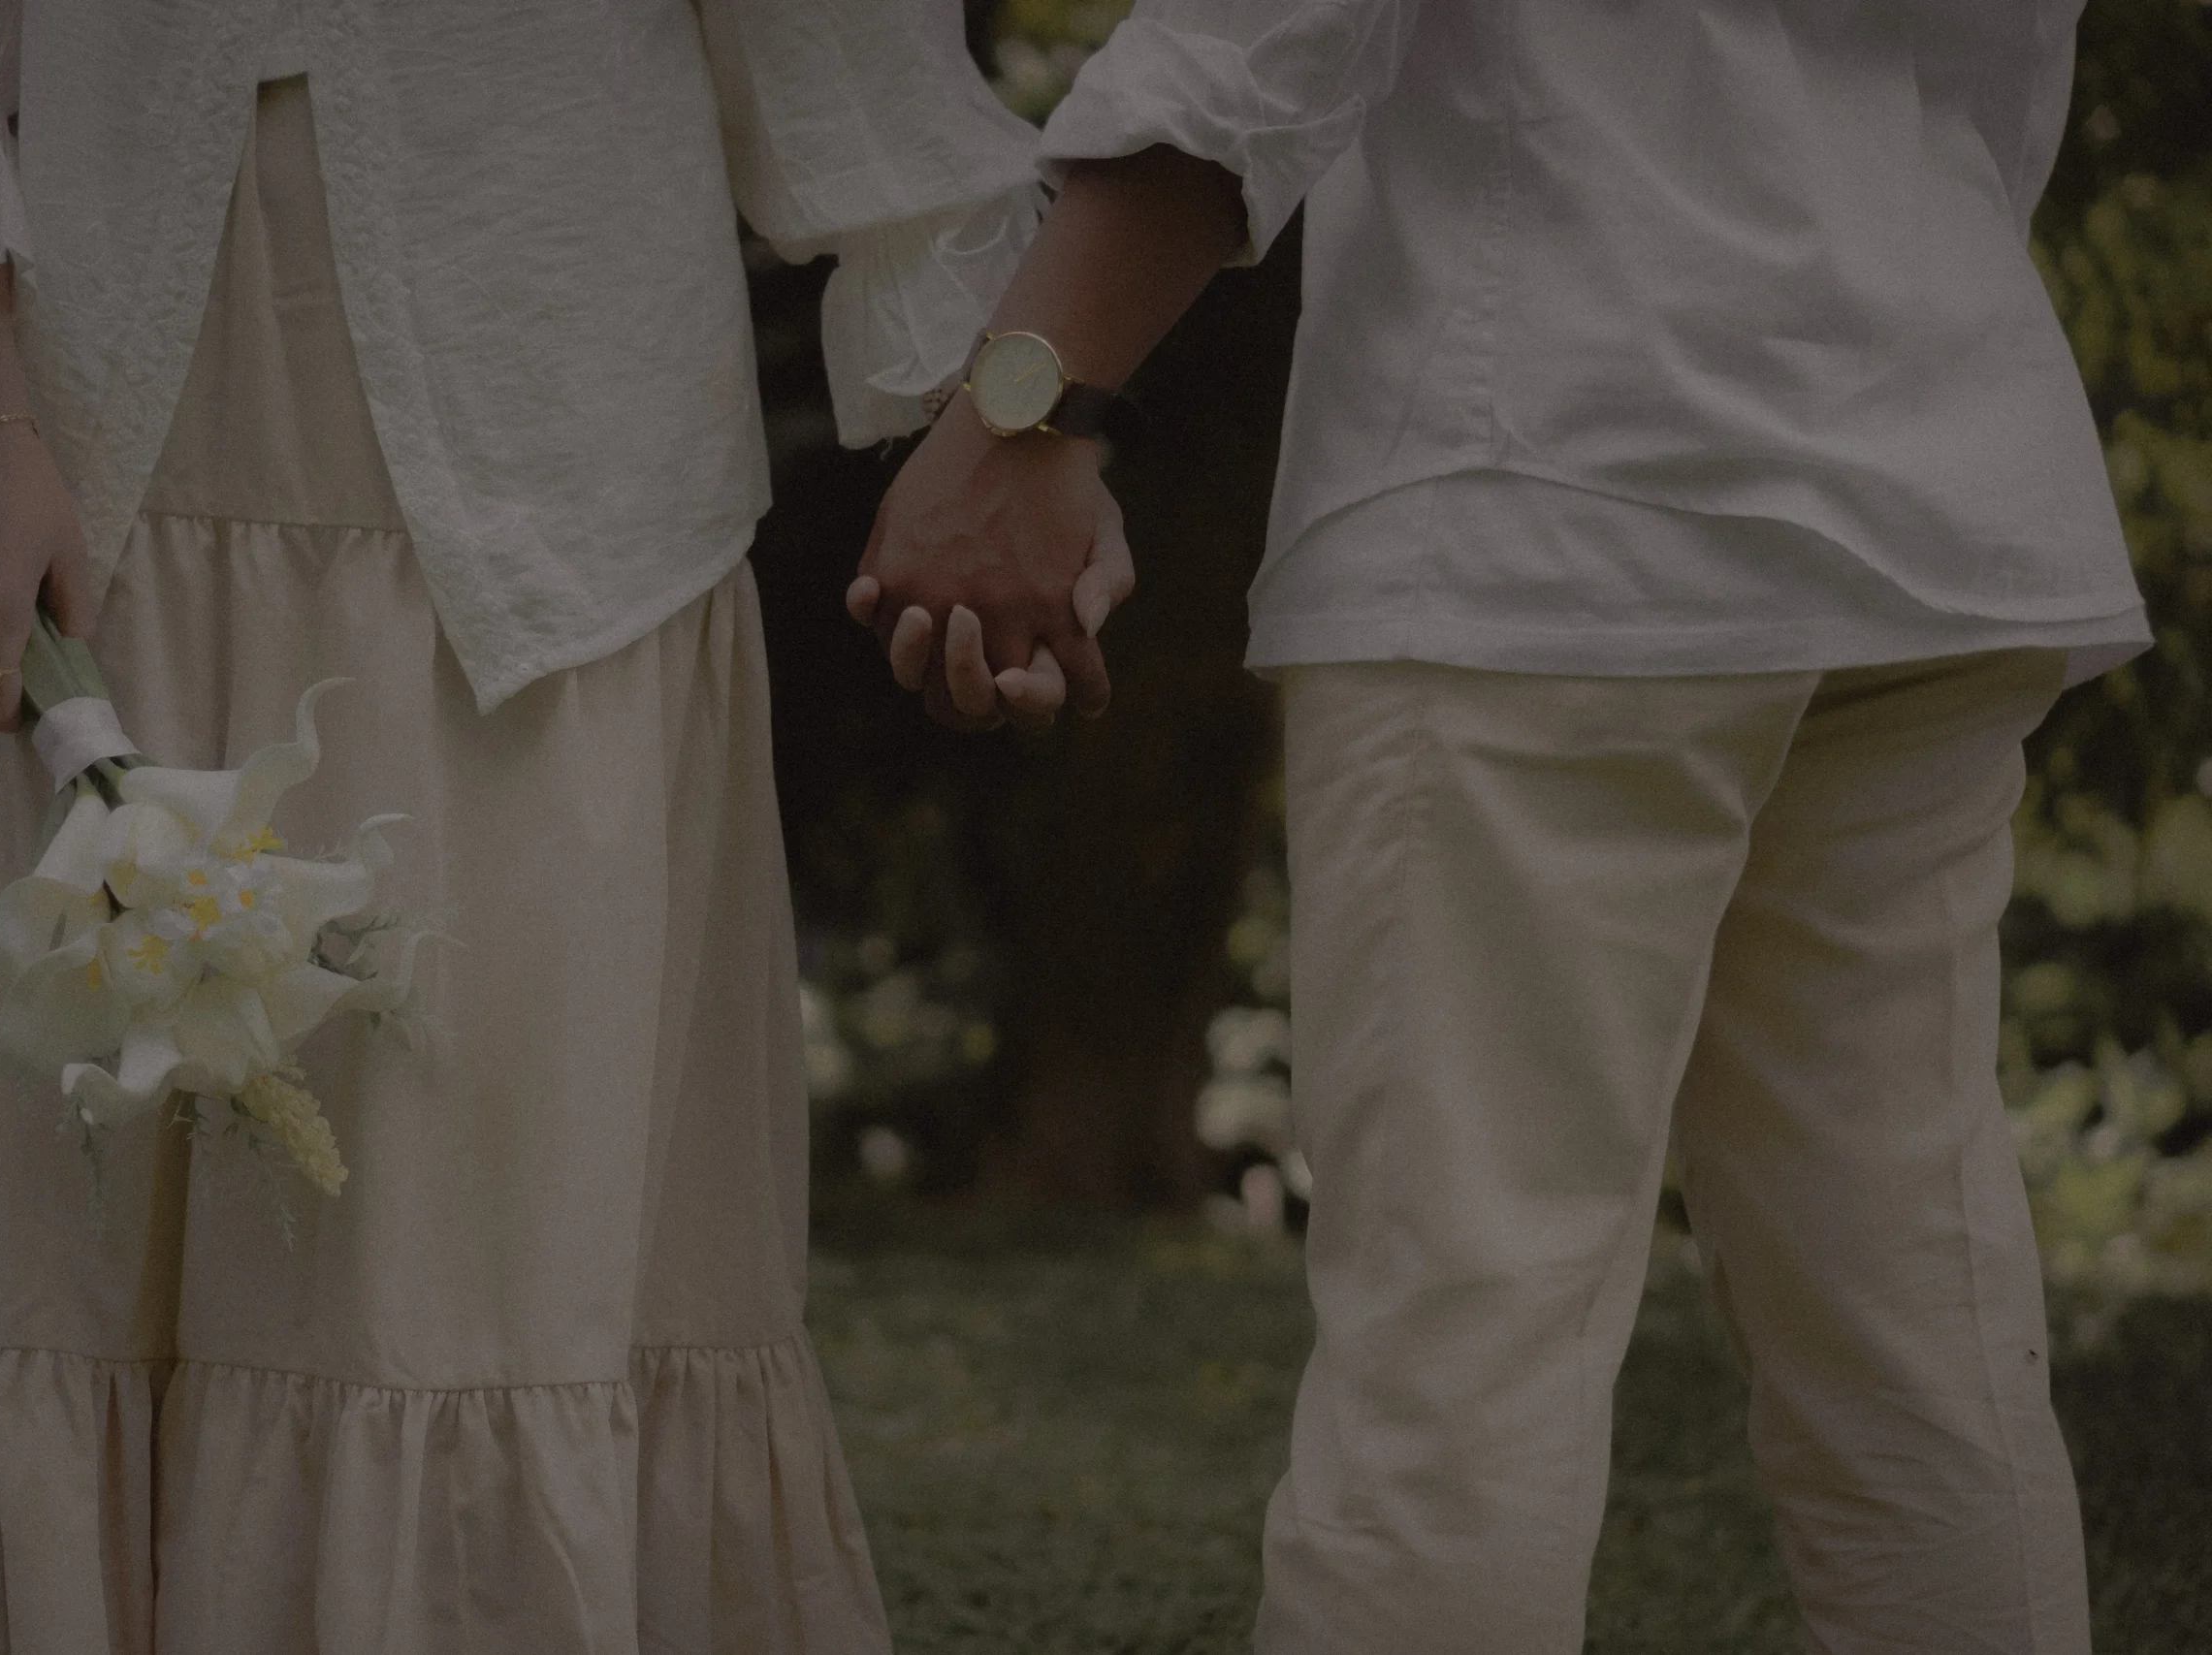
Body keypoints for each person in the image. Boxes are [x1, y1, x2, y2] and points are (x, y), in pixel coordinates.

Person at [0, 1, 1042, 1648]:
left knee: (482, 1283)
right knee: (73, 1258)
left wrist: (1007, 413)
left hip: (555, 474)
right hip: (68, 453)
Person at [853, 2, 2143, 1649]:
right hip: (1926, 480)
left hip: (1553, 487)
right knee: (1915, 1337)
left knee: (1462, 1349)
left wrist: (1027, 401)